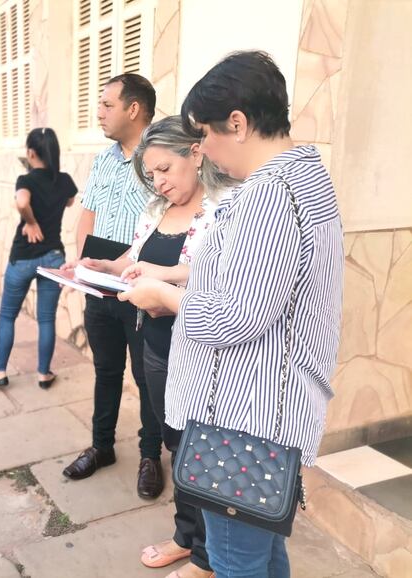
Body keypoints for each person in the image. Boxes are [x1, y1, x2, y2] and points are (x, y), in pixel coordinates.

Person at [119, 51, 344, 578]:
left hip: (244, 415)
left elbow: (238, 317)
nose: (203, 150)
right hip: (267, 409)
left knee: (233, 561)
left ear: (237, 123)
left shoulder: (270, 193)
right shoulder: (305, 175)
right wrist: (177, 276)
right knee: (261, 553)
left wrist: (166, 299)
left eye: (204, 136)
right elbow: (259, 281)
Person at [80, 115, 235, 577]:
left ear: (195, 151)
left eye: (165, 169)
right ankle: (186, 537)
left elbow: (228, 279)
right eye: (151, 175)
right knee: (176, 444)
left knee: (206, 452)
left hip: (206, 351)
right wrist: (107, 266)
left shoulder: (227, 207)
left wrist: (167, 285)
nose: (159, 182)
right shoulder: (155, 208)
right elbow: (137, 256)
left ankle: (208, 559)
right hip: (158, 345)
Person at [61, 73, 165, 501]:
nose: (99, 113)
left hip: (140, 283)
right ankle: (102, 446)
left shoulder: (162, 156)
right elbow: (88, 215)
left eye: (107, 105)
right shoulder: (103, 160)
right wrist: (83, 263)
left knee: (145, 376)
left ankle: (148, 456)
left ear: (133, 109)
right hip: (98, 282)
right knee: (105, 370)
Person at [0, 127, 77, 390]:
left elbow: (22, 203)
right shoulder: (64, 180)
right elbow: (69, 202)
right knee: (46, 319)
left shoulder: (27, 180)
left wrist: (31, 222)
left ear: (31, 153)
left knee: (8, 315)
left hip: (23, 258)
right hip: (53, 256)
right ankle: (44, 374)